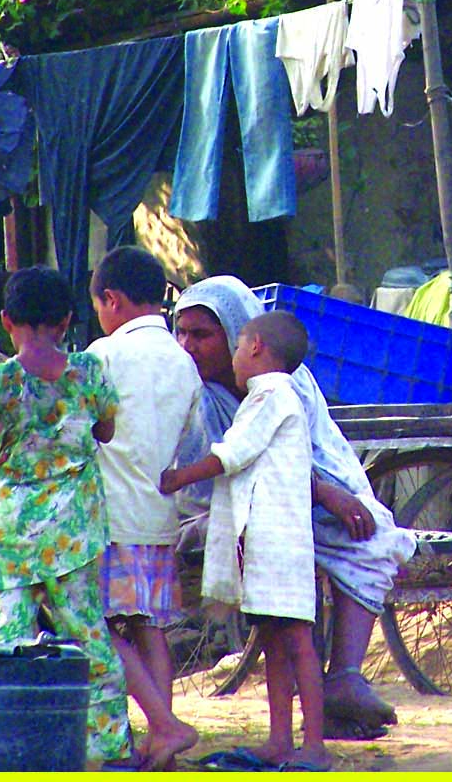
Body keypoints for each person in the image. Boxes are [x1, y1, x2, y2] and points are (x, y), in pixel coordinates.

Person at [172, 276, 414, 728]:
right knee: (284, 618)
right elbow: (220, 465)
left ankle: (343, 678)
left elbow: (314, 449)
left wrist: (327, 492)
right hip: (213, 510)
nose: (187, 345)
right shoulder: (189, 387)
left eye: (201, 335)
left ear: (247, 339)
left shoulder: (284, 382)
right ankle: (304, 724)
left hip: (292, 502)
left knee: (373, 534)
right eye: (181, 332)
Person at [0, 266, 132, 765]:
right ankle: (107, 749)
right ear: (67, 320)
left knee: (10, 640)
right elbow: (106, 432)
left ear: (6, 320)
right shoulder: (88, 371)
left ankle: (10, 749)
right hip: (73, 528)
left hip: (12, 528)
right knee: (88, 636)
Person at [160, 312, 331, 769]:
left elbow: (230, 454)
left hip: (279, 546)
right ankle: (279, 739)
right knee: (274, 639)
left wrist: (177, 478)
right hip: (265, 544)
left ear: (255, 346)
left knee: (296, 641)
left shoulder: (272, 395)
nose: (232, 358)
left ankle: (312, 745)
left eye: (236, 346)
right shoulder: (268, 396)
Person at [85, 247, 204, 769]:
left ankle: (163, 725)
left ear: (110, 300)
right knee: (150, 629)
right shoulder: (185, 363)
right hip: (159, 517)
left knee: (101, 628)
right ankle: (164, 741)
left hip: (110, 517)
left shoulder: (101, 356)